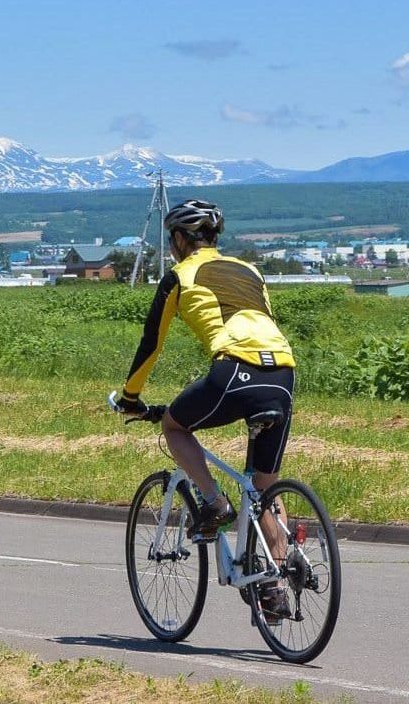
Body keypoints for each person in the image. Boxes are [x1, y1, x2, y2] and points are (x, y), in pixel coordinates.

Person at [111, 199, 296, 619]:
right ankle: (277, 582)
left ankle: (213, 502)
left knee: (175, 426)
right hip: (282, 372)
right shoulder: (250, 270)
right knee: (264, 486)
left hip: (233, 369)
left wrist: (130, 397)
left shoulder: (178, 275)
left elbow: (150, 345)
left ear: (179, 239)